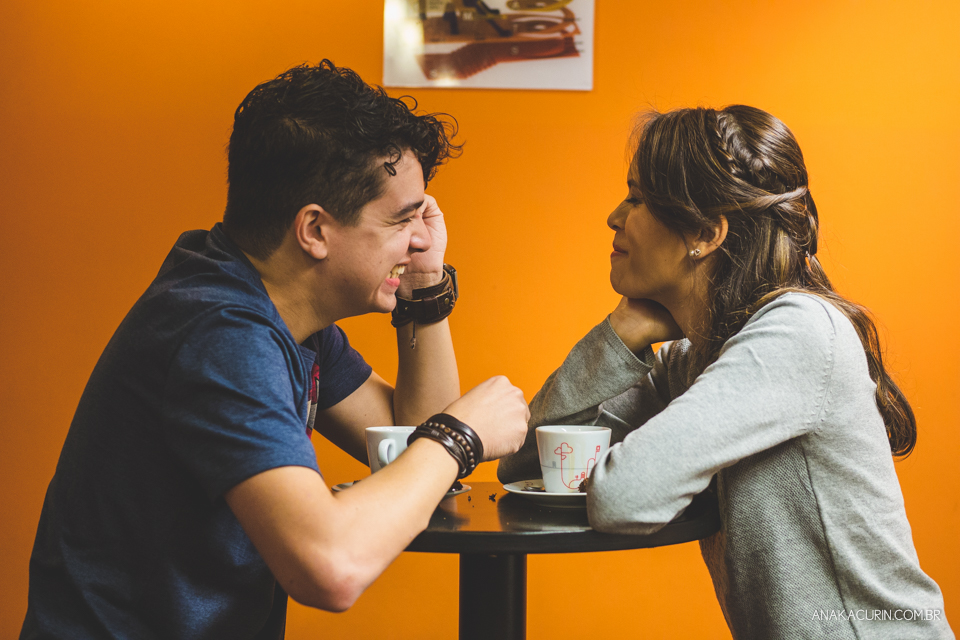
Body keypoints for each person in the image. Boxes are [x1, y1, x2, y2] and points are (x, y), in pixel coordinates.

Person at [21, 61, 529, 639]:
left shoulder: (272, 306)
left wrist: (425, 285)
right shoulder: (220, 335)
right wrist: (462, 435)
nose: (420, 236)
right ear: (314, 230)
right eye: (401, 219)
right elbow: (329, 568)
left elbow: (408, 435)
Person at [498, 105, 953, 639]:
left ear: (706, 233)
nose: (614, 216)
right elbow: (529, 463)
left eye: (638, 198)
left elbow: (624, 495)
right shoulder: (694, 360)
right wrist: (617, 337)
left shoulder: (798, 331)